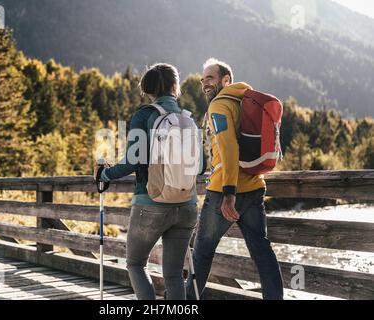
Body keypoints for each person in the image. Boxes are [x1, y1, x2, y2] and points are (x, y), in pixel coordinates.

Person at [94, 63, 201, 300]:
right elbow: (200, 167)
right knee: (174, 275)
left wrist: (104, 174)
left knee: (135, 264)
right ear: (175, 86)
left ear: (148, 89)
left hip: (150, 203)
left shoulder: (144, 115)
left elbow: (132, 161)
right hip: (187, 205)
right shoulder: (186, 119)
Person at [185, 58, 284, 300]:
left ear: (225, 79)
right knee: (262, 252)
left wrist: (229, 193)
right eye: (202, 79)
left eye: (210, 77)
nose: (204, 83)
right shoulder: (245, 100)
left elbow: (229, 148)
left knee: (201, 253)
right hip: (255, 187)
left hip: (224, 192)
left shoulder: (219, 106)